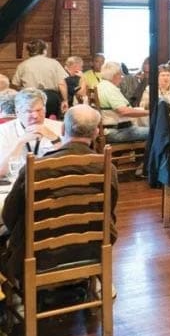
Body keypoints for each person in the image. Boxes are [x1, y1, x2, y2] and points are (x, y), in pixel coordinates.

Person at [0, 105, 116, 285]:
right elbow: (110, 212)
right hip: (91, 250)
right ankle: (90, 286)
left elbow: (8, 216)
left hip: (40, 256)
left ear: (62, 129)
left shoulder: (36, 168)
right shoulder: (107, 168)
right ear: (95, 132)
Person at [0, 89, 64, 178]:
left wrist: (54, 138)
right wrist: (20, 142)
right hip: (18, 184)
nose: (35, 116)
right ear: (17, 112)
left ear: (45, 109)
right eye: (29, 111)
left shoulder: (59, 127)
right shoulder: (4, 131)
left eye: (39, 110)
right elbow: (1, 171)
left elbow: (72, 162)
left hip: (52, 181)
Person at [13, 39, 69, 116]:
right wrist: (65, 100)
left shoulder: (23, 65)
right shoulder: (54, 63)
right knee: (51, 123)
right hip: (51, 98)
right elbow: (62, 84)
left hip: (31, 98)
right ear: (44, 50)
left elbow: (16, 84)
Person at [95, 62, 149, 142]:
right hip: (117, 132)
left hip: (111, 129)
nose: (122, 77)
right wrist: (149, 112)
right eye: (120, 74)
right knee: (159, 131)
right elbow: (123, 111)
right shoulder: (109, 89)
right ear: (114, 75)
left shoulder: (101, 85)